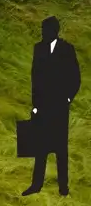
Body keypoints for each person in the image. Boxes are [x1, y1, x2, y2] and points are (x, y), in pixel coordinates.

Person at [29, 16, 81, 196]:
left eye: (46, 30)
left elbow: (76, 77)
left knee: (60, 148)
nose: (43, 33)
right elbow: (35, 78)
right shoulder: (38, 49)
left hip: (59, 106)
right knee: (40, 147)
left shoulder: (67, 50)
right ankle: (36, 185)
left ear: (54, 31)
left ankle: (63, 187)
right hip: (43, 106)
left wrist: (67, 98)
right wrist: (35, 105)